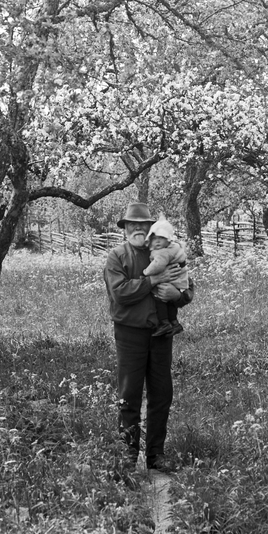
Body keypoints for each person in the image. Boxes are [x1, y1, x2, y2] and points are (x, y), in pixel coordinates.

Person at [103, 202, 194, 473]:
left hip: (161, 334)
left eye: (143, 224)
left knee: (162, 393)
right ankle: (128, 459)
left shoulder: (167, 251)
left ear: (152, 228)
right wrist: (153, 281)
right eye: (132, 224)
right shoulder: (117, 256)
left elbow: (187, 288)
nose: (138, 229)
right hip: (130, 334)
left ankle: (156, 456)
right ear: (125, 228)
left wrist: (177, 297)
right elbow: (120, 293)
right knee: (129, 395)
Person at [143, 217, 189, 338]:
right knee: (170, 303)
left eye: (161, 238)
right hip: (179, 281)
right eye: (155, 239)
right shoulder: (174, 247)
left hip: (173, 281)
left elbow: (157, 265)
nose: (157, 242)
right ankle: (174, 322)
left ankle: (164, 323)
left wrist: (146, 273)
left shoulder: (163, 252)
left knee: (160, 298)